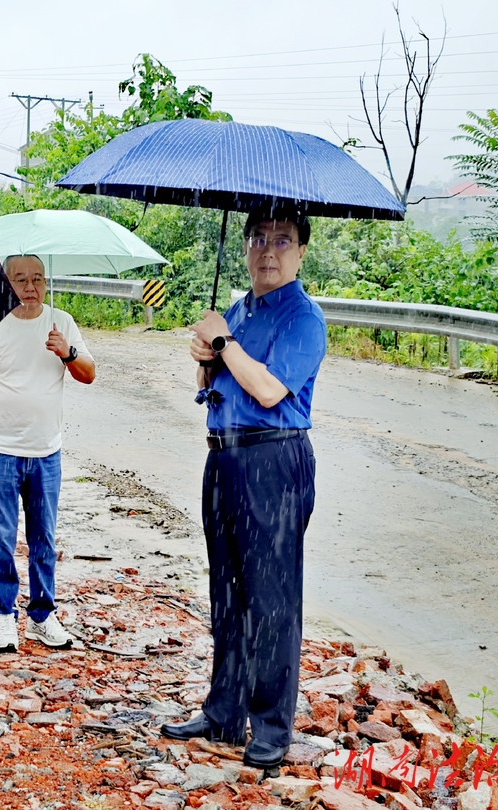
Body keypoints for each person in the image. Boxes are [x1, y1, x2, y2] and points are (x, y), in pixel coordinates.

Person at [160, 203, 327, 772]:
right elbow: (216, 384)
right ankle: (224, 710)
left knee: (271, 598)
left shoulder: (303, 318)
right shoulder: (238, 309)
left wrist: (225, 343)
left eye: (282, 240)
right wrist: (205, 358)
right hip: (224, 459)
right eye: (258, 238)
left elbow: (269, 390)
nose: (267, 250)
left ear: (302, 252)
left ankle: (272, 728)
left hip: (273, 462)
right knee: (227, 592)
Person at [0, 255, 96, 651]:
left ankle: (42, 615)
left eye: (37, 278)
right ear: (7, 283)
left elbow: (89, 373)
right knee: (0, 537)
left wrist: (66, 352)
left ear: (46, 281)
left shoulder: (61, 322)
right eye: (20, 279)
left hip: (46, 452)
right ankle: (2, 614)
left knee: (43, 538)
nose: (30, 286)